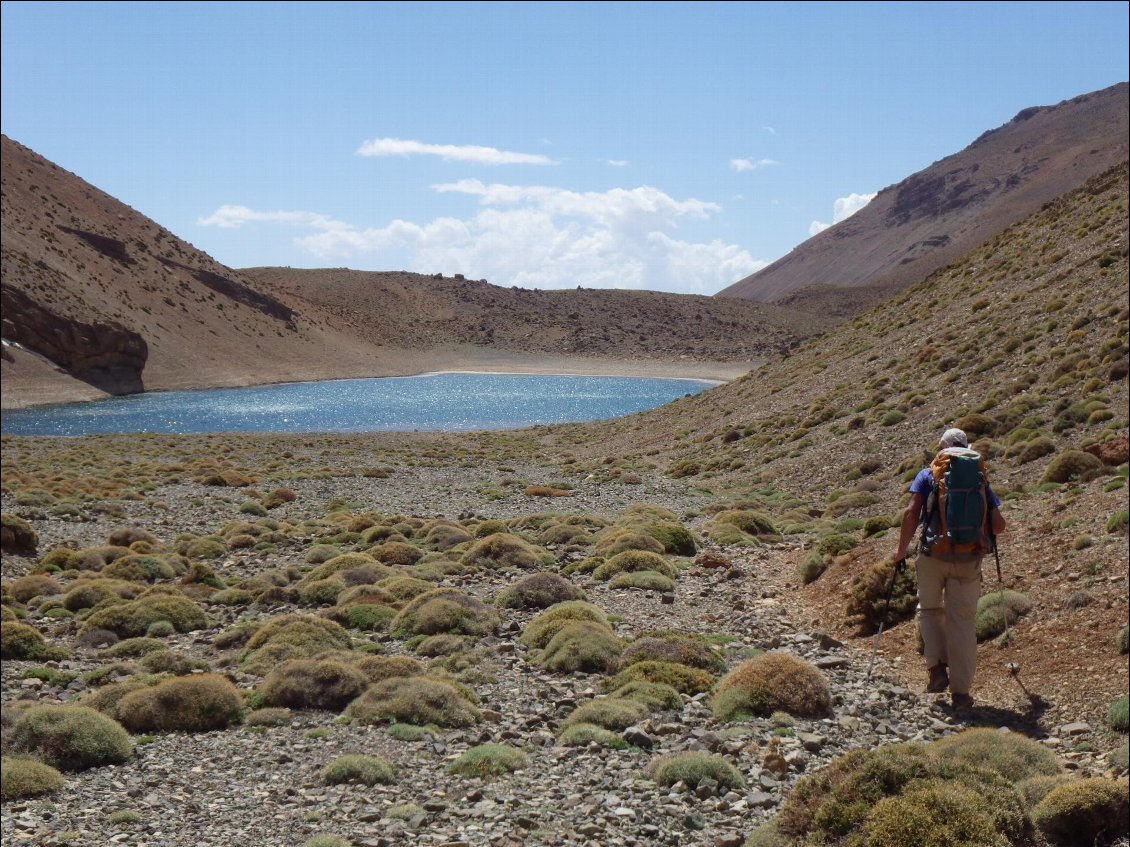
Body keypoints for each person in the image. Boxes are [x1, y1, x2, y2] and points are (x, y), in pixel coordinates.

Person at [893, 427, 1006, 710]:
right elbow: (999, 525)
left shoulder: (929, 473)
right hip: (969, 559)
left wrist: (900, 551)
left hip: (932, 555)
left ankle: (937, 669)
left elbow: (911, 513)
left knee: (930, 611)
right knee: (963, 624)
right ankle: (962, 694)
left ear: (941, 447)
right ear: (966, 447)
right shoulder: (979, 476)